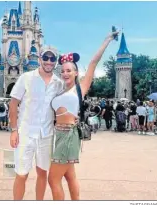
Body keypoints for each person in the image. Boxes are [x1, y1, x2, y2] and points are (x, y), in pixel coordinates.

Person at [48, 31, 119, 200]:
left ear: (76, 73)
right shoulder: (59, 90)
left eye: (69, 71)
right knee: (69, 176)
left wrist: (106, 40)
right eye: (63, 71)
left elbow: (93, 62)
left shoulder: (79, 88)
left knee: (53, 179)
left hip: (68, 135)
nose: (65, 73)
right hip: (59, 135)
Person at [9, 46, 63, 200]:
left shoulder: (58, 84)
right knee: (21, 174)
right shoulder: (26, 77)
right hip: (25, 133)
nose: (48, 61)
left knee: (42, 173)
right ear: (39, 58)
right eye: (45, 57)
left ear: (56, 61)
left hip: (46, 135)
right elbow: (13, 104)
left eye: (52, 59)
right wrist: (14, 130)